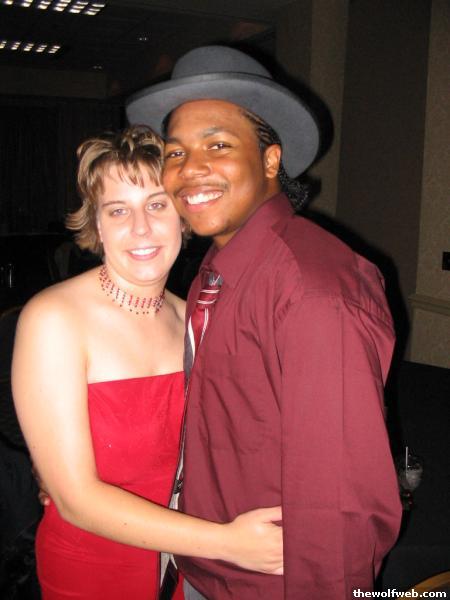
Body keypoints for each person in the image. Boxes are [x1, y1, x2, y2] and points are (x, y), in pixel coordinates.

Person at [126, 46, 402, 599]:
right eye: (175, 152)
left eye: (218, 145)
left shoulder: (312, 288)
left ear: (271, 160)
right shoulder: (214, 271)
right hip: (204, 564)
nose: (189, 169)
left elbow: (338, 507)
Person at [11, 125, 284, 600]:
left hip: (188, 565)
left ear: (182, 215)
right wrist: (230, 543)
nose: (141, 228)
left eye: (157, 205)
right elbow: (75, 499)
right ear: (97, 225)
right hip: (93, 570)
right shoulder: (54, 318)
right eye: (118, 210)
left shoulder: (197, 317)